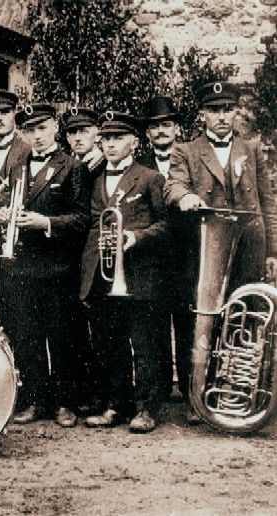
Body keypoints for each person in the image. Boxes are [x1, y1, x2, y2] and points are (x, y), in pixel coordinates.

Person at [164, 82, 277, 422]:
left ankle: (239, 392)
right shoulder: (186, 150)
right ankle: (198, 398)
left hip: (249, 247)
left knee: (247, 319)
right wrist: (185, 197)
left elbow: (267, 200)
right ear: (203, 115)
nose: (222, 117)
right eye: (214, 110)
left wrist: (272, 250)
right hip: (207, 250)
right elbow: (173, 183)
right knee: (206, 320)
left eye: (227, 109)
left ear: (235, 112)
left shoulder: (252, 149)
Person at [0, 103, 89, 428]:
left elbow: (81, 219)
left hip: (57, 269)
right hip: (22, 268)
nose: (36, 136)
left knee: (61, 337)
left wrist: (44, 222)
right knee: (27, 336)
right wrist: (6, 216)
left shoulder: (71, 166)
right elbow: (8, 203)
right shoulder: (16, 165)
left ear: (54, 127)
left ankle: (65, 402)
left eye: (41, 128)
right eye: (30, 130)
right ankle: (35, 400)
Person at [81, 111, 170, 433]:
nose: (111, 144)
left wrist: (135, 237)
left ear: (134, 142)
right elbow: (93, 223)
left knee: (144, 344)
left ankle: (147, 409)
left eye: (118, 138)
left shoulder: (149, 178)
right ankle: (116, 405)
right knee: (109, 343)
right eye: (106, 138)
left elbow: (166, 225)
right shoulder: (94, 179)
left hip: (139, 273)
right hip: (105, 275)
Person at [139, 96, 194, 409]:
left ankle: (190, 396)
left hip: (186, 256)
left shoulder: (190, 159)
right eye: (155, 126)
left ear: (177, 128)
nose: (161, 131)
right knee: (155, 328)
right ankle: (157, 395)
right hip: (152, 258)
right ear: (147, 133)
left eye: (166, 125)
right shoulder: (140, 165)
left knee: (187, 326)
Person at [62, 105, 104, 414]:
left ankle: (100, 393)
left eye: (84, 131)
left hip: (96, 251)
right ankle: (80, 391)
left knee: (100, 324)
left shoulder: (103, 165)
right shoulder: (68, 165)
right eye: (72, 133)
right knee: (73, 326)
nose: (78, 137)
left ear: (97, 134)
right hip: (68, 255)